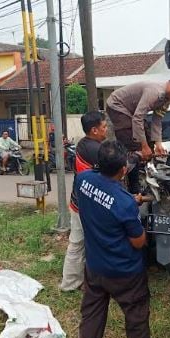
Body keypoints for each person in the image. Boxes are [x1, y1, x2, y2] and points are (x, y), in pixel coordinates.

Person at [76, 140, 149, 338]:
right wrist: (131, 206)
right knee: (137, 320)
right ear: (124, 170)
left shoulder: (82, 180)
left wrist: (127, 200)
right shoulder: (124, 203)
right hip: (125, 273)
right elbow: (138, 242)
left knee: (91, 316)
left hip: (95, 267)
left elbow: (104, 200)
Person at [106, 73, 170, 193]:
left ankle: (144, 175)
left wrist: (158, 143)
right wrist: (144, 147)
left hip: (131, 111)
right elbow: (137, 118)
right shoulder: (155, 93)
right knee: (134, 143)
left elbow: (157, 120)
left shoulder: (166, 100)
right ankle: (133, 186)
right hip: (116, 105)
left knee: (147, 136)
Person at [60, 111, 108, 292]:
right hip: (84, 207)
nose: (106, 129)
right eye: (104, 127)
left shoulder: (84, 144)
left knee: (80, 243)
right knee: (79, 243)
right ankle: (71, 283)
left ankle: (76, 281)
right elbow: (115, 167)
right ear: (94, 130)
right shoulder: (95, 150)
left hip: (79, 203)